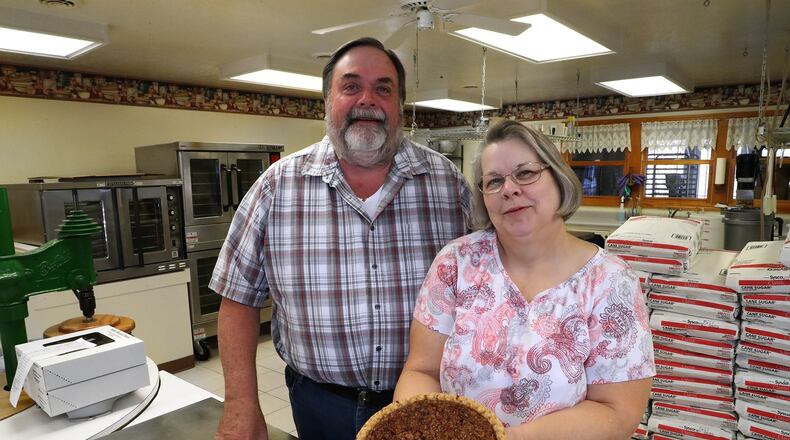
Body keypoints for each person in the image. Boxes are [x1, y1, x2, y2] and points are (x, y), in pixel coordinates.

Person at [210, 37, 472, 440]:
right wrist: (241, 405)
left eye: (383, 88)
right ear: (327, 101)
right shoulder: (276, 189)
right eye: (351, 86)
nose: (367, 99)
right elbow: (237, 299)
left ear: (399, 105)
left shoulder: (448, 185)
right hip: (320, 404)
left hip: (429, 403)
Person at [394, 120, 654, 439]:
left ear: (559, 178)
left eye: (526, 173)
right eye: (493, 181)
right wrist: (423, 428)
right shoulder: (456, 263)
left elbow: (617, 413)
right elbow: (421, 371)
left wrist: (504, 438)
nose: (510, 188)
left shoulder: (611, 282)